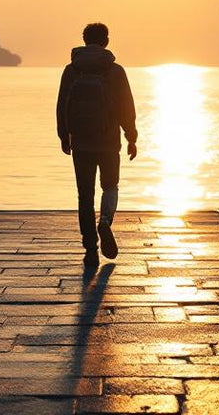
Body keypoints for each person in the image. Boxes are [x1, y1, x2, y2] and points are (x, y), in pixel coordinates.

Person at [57, 22, 137, 267]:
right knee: (110, 186)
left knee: (85, 195)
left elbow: (62, 104)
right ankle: (104, 221)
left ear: (84, 40)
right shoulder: (115, 71)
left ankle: (90, 248)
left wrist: (64, 135)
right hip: (109, 141)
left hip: (81, 142)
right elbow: (126, 107)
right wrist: (131, 136)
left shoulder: (72, 70)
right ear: (106, 41)